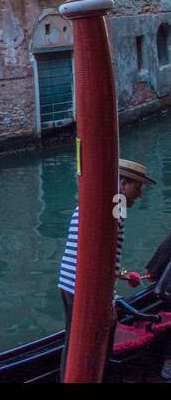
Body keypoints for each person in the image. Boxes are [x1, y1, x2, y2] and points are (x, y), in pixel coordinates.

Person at [57, 159, 156, 380]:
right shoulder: (114, 209)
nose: (139, 194)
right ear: (122, 184)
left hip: (67, 283)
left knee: (73, 344)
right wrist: (108, 301)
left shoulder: (92, 202)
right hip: (84, 288)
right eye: (137, 186)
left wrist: (121, 275)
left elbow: (95, 254)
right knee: (96, 344)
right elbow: (96, 260)